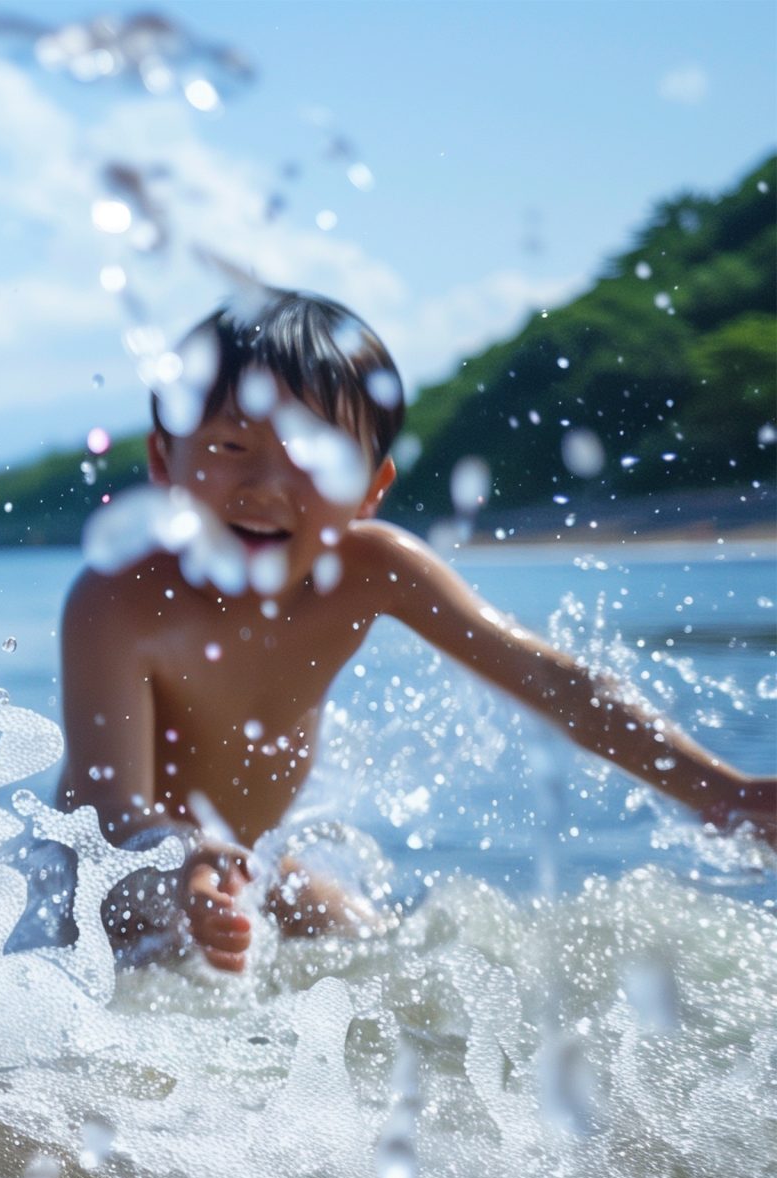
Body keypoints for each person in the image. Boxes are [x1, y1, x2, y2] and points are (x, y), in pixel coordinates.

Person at [54, 288, 776, 968]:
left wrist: (722, 791)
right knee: (137, 988)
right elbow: (108, 809)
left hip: (246, 865)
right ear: (162, 462)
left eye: (315, 456)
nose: (267, 486)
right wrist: (186, 859)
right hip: (114, 875)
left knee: (381, 955)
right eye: (230, 448)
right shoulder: (119, 600)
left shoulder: (376, 570)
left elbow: (555, 682)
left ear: (372, 488)